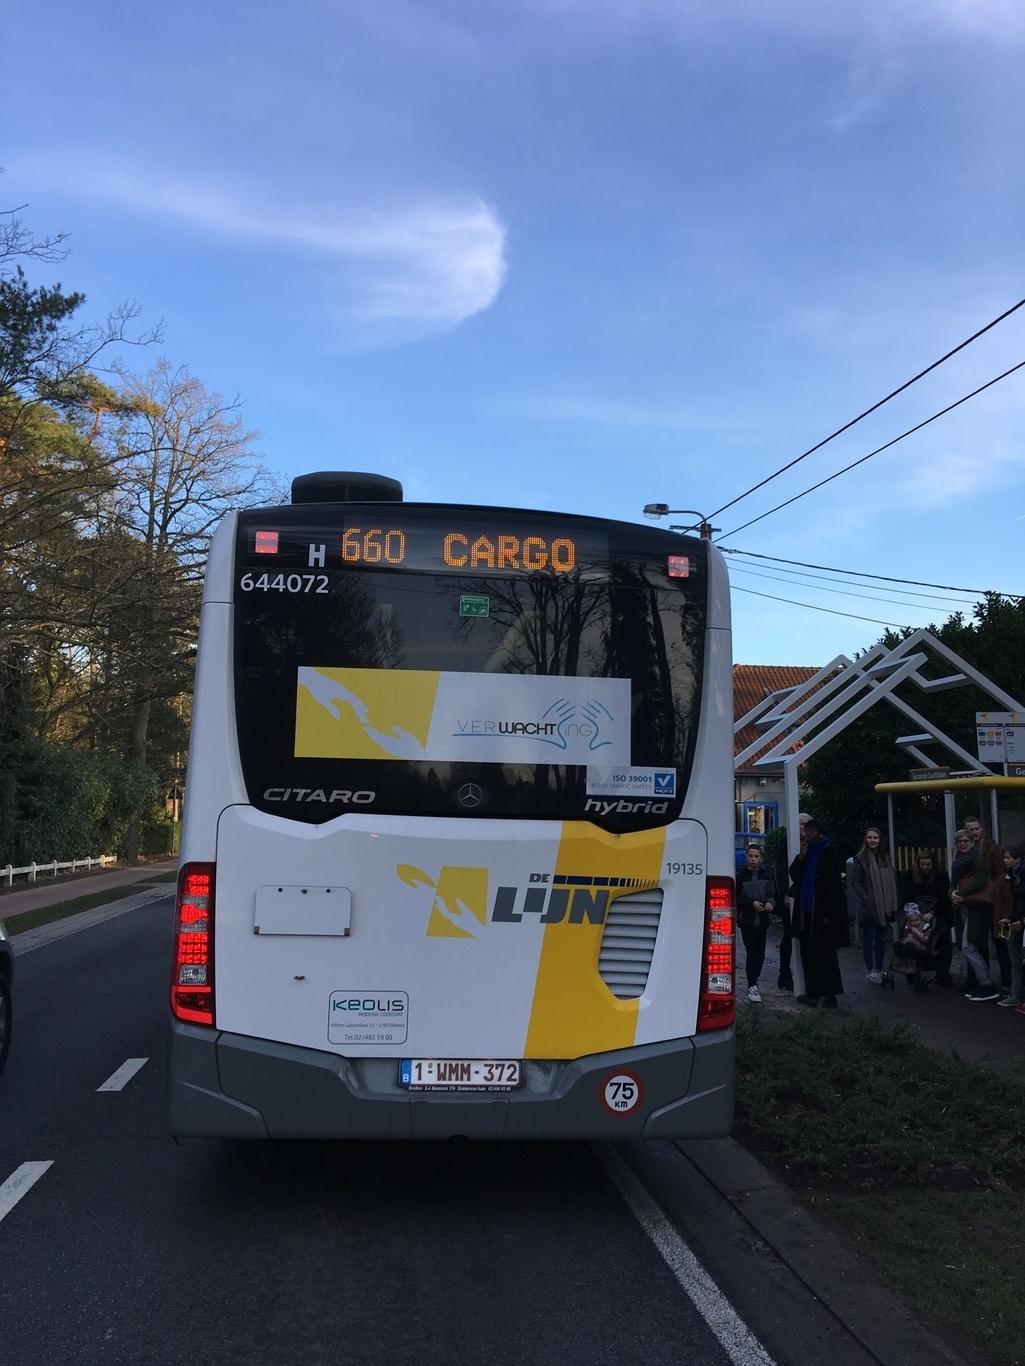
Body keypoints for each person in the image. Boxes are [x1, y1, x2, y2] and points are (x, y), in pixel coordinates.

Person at [789, 817, 845, 1007]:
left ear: (819, 832)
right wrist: (801, 858)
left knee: (825, 954)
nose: (808, 835)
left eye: (811, 831)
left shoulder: (828, 853)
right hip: (806, 912)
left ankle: (830, 994)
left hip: (822, 913)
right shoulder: (807, 853)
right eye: (807, 831)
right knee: (808, 952)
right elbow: (795, 875)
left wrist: (830, 914)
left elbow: (834, 886)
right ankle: (812, 992)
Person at [950, 828, 999, 1003]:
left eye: (966, 841)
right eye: (960, 841)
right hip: (964, 908)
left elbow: (980, 882)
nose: (963, 844)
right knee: (971, 946)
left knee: (968, 946)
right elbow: (953, 884)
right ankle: (983, 984)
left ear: (972, 842)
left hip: (976, 909)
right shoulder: (957, 861)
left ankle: (986, 984)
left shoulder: (978, 859)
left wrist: (959, 893)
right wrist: (952, 894)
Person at [847, 826, 898, 984]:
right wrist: (866, 899)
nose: (872, 840)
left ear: (880, 839)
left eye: (875, 837)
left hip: (885, 905)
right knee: (868, 940)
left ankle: (880, 968)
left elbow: (891, 881)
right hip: (869, 907)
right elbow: (855, 882)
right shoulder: (860, 859)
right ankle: (870, 970)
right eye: (869, 837)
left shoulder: (886, 858)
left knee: (881, 940)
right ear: (865, 839)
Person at [964, 815, 1009, 992]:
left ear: (982, 829)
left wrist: (987, 886)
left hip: (994, 903)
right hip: (976, 903)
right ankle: (978, 980)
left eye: (976, 829)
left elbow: (1001, 874)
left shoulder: (993, 849)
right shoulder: (966, 849)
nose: (974, 832)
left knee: (1001, 942)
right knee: (976, 942)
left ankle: (1006, 982)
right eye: (970, 830)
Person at [901, 850, 952, 987]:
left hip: (938, 911)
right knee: (915, 940)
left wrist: (933, 912)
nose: (925, 867)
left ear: (933, 865)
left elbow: (944, 896)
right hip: (916, 912)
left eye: (928, 865)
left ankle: (942, 973)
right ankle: (915, 971)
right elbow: (907, 894)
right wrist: (915, 912)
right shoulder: (911, 874)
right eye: (922, 864)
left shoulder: (941, 876)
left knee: (942, 941)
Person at [773, 812, 811, 993]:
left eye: (807, 825)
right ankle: (784, 973)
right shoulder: (785, 843)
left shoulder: (811, 844)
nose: (804, 828)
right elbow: (781, 870)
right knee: (789, 936)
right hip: (790, 897)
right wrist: (785, 894)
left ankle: (804, 973)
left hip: (807, 896)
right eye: (802, 824)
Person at [736, 844, 776, 1004]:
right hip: (747, 920)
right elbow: (737, 896)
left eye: (756, 856)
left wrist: (771, 903)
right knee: (752, 952)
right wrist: (751, 903)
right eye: (751, 856)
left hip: (763, 921)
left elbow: (773, 893)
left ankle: (755, 981)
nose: (753, 859)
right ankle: (752, 985)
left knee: (760, 954)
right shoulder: (741, 875)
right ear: (746, 857)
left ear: (761, 858)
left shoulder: (766, 875)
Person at [996, 845, 1025, 1010]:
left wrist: (1021, 921)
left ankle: (1017, 995)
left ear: (1018, 858)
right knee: (1014, 959)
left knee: (1018, 959)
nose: (1005, 860)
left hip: (1019, 921)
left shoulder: (1020, 876)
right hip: (1011, 920)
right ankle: (1015, 995)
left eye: (1008, 857)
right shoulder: (1008, 877)